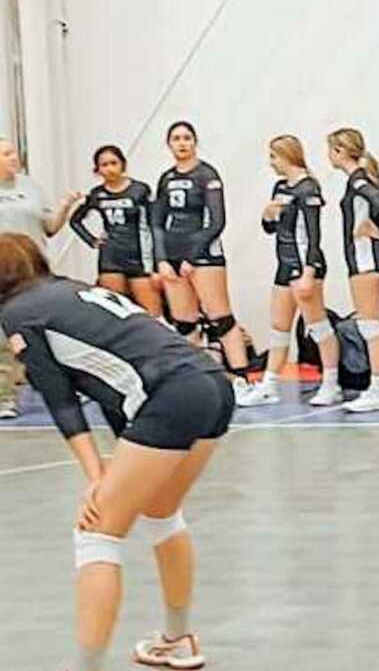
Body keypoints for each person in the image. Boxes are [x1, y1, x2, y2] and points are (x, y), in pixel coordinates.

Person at [0, 232, 233, 671]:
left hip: (171, 393)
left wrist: (96, 476)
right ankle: (177, 639)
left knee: (96, 534)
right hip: (210, 381)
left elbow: (61, 400)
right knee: (162, 511)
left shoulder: (18, 314)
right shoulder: (74, 289)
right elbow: (114, 388)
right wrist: (110, 467)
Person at [150, 122, 252, 398]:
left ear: (195, 142)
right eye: (176, 139)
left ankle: (241, 380)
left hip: (205, 255)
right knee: (184, 323)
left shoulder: (207, 175)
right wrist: (161, 260)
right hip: (173, 257)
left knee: (221, 317)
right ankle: (197, 382)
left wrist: (193, 256)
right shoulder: (166, 178)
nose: (182, 143)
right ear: (169, 144)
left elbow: (217, 221)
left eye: (187, 138)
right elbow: (156, 223)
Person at [237, 135, 341, 408]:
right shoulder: (280, 187)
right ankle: (270, 384)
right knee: (279, 327)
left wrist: (309, 272)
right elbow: (272, 230)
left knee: (317, 325)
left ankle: (332, 383)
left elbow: (314, 237)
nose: (271, 163)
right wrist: (267, 216)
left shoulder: (308, 189)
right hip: (284, 264)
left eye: (273, 156)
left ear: (287, 156)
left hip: (305, 265)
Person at [0, 137, 79, 419]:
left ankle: (71, 388)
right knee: (4, 336)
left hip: (34, 270)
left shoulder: (30, 187)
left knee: (49, 329)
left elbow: (49, 228)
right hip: (3, 274)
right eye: (6, 153)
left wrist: (65, 206)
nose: (13, 157)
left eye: (13, 152)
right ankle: (4, 397)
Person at [328, 127, 379, 412]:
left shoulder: (358, 180)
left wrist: (370, 225)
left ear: (340, 151)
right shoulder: (357, 180)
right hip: (368, 259)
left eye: (331, 149)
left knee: (370, 324)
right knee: (376, 322)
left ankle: (378, 389)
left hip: (366, 260)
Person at [68, 146, 160, 318]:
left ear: (123, 165)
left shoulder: (140, 190)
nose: (109, 168)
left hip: (139, 257)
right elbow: (75, 221)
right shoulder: (97, 194)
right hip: (110, 259)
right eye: (104, 165)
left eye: (113, 163)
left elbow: (154, 224)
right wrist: (92, 240)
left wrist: (156, 262)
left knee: (151, 314)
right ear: (97, 170)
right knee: (116, 313)